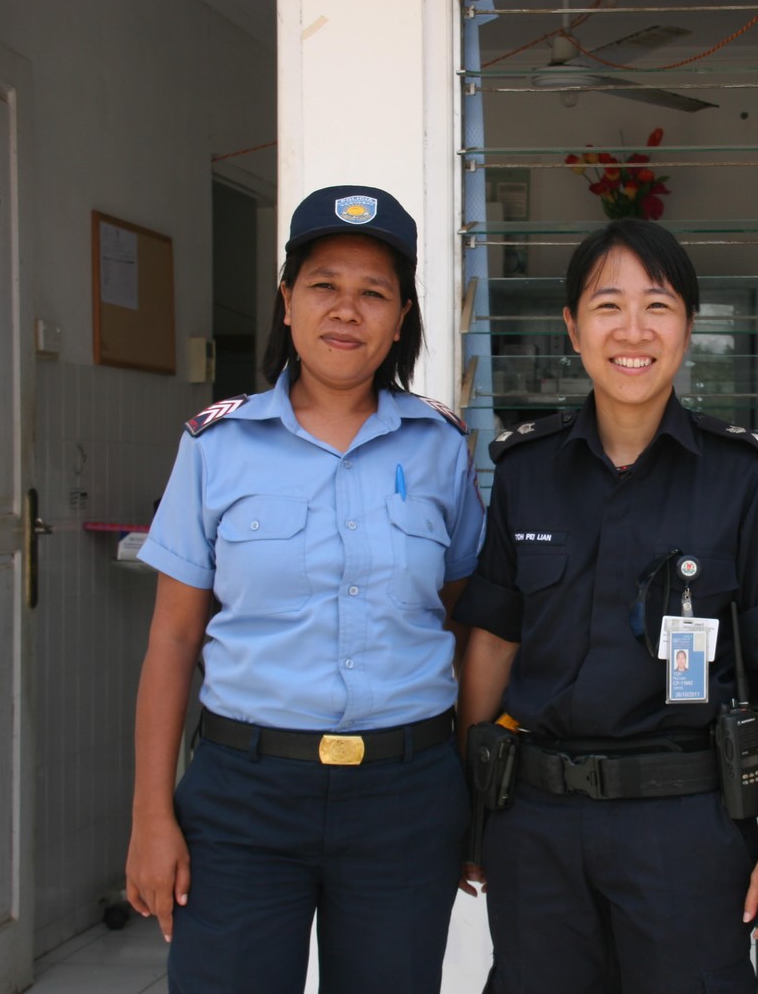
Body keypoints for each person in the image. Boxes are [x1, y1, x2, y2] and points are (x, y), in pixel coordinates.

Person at [454, 218, 758, 994]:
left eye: (657, 306)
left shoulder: (744, 480)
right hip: (538, 823)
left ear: (688, 327)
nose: (633, 331)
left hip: (683, 826)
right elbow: (491, 645)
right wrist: (473, 807)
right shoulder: (525, 472)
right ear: (572, 327)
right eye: (607, 306)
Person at [124, 185, 484, 993]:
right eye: (324, 285)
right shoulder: (217, 447)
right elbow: (174, 639)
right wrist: (152, 815)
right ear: (287, 303)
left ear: (400, 318)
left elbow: (464, 624)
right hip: (244, 794)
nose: (345, 311)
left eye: (373, 293)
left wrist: (473, 796)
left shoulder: (440, 447)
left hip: (405, 795)